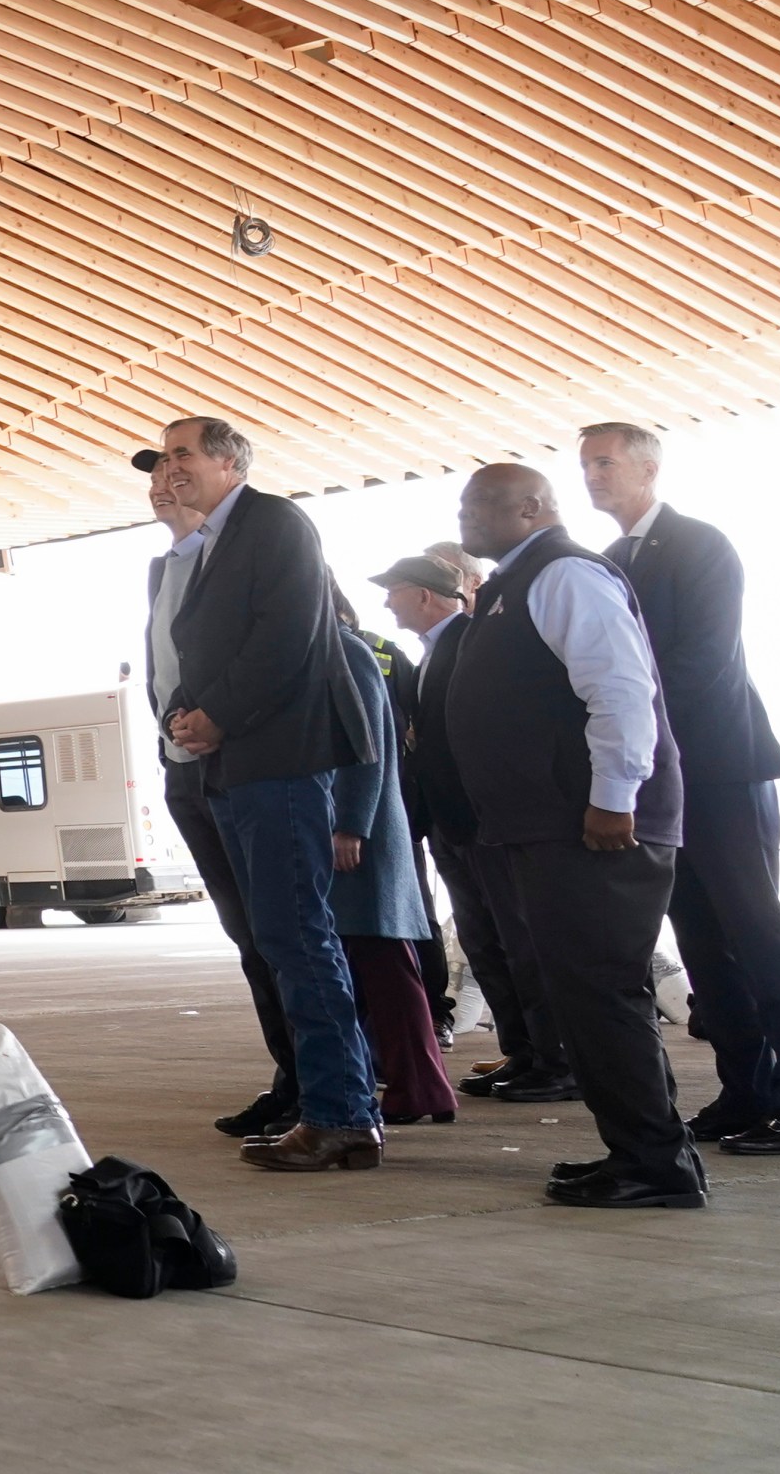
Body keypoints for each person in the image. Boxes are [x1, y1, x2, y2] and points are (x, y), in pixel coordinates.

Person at [443, 461, 705, 1207]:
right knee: (586, 996)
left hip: (594, 829)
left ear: (532, 507)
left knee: (602, 994)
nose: (467, 519)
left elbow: (620, 689)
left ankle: (655, 1165)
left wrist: (614, 797)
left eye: (482, 505)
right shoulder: (514, 584)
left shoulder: (564, 576)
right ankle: (643, 1152)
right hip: (549, 828)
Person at [141, 416, 381, 1173]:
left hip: (276, 765)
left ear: (228, 462)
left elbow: (285, 638)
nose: (172, 469)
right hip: (235, 767)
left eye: (184, 455)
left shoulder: (273, 523)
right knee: (281, 940)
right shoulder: (210, 544)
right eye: (168, 458)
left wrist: (217, 715)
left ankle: (341, 1113)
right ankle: (331, 1106)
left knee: (299, 940)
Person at [579, 422, 780, 1157]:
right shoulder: (609, 560)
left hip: (718, 767)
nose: (593, 475)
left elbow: (700, 661)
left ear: (648, 468)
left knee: (757, 934)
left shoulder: (699, 544)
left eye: (605, 462)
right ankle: (749, 1093)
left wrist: (633, 737)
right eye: (586, 465)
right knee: (702, 941)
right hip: (661, 778)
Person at [132, 451, 300, 1135]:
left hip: (239, 760)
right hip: (186, 765)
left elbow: (273, 645)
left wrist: (217, 718)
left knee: (283, 936)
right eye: (155, 476)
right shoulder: (165, 566)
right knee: (249, 937)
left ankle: (320, 1088)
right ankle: (290, 1079)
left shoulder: (247, 548)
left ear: (225, 470)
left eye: (179, 468)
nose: (162, 485)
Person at [379, 553, 558, 1100]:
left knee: (518, 940)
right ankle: (524, 1051)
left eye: (396, 591)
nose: (387, 603)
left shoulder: (473, 643)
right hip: (453, 824)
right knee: (485, 942)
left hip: (483, 822)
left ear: (426, 596)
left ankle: (555, 1059)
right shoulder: (433, 653)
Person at [332, 617, 458, 1124]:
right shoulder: (325, 651)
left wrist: (352, 824)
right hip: (348, 836)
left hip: (358, 841)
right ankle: (417, 1089)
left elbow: (367, 751)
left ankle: (422, 1089)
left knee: (388, 969)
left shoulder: (346, 653)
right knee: (376, 972)